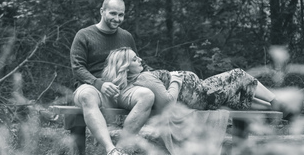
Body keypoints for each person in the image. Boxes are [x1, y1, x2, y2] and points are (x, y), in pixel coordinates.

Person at [70, 0, 155, 155]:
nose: (117, 19)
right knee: (87, 95)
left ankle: (120, 152)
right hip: (92, 87)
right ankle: (111, 150)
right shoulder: (84, 35)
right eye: (113, 13)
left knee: (147, 95)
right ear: (102, 11)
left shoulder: (126, 37)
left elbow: (137, 63)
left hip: (122, 88)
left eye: (121, 15)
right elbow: (77, 68)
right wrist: (99, 84)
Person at [101, 47, 284, 114]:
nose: (140, 60)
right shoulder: (144, 78)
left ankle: (279, 111)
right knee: (239, 75)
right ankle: (278, 103)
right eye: (134, 59)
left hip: (199, 93)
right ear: (124, 67)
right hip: (201, 94)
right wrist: (176, 79)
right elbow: (168, 102)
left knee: (238, 97)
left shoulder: (136, 79)